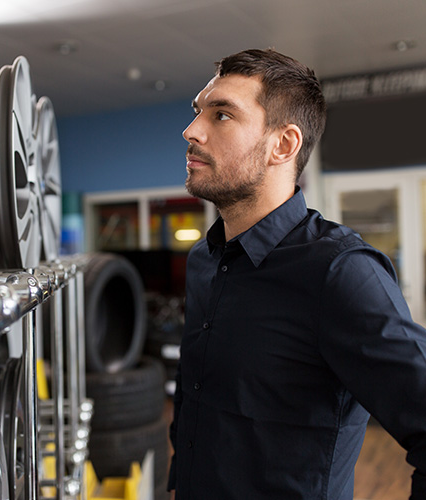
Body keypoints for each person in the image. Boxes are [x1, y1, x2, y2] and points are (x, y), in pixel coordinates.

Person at [168, 48, 426, 499]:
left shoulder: (340, 272)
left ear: (283, 145)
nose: (192, 131)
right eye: (198, 112)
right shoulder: (205, 260)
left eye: (222, 115)